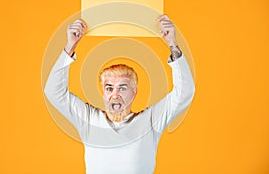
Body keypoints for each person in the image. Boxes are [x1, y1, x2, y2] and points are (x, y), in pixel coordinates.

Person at [44, 15, 195, 174]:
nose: (115, 95)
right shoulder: (88, 119)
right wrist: (70, 46)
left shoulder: (150, 121)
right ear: (103, 92)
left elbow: (185, 91)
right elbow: (53, 91)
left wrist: (173, 44)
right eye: (109, 88)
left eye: (122, 88)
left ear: (134, 92)